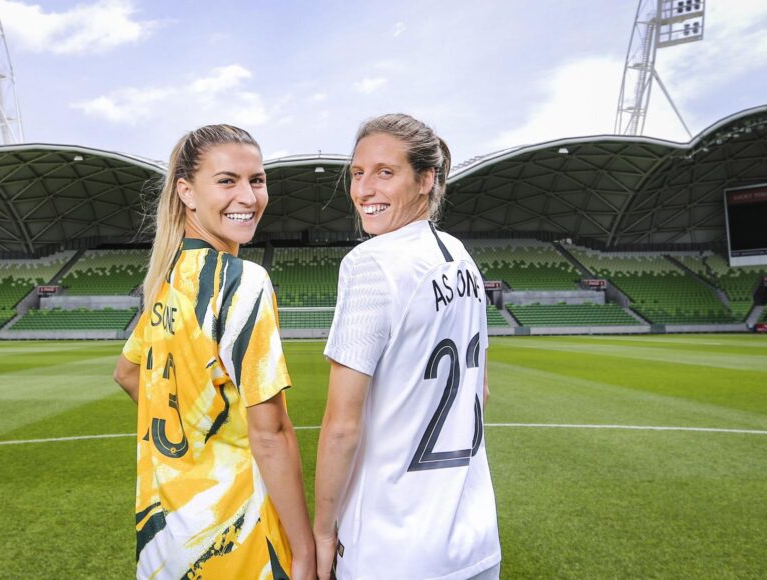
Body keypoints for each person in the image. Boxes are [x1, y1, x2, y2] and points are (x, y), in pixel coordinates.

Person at [114, 124, 315, 579]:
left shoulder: (166, 280)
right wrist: (304, 550)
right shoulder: (241, 282)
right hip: (237, 538)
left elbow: (127, 373)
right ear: (186, 191)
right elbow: (270, 433)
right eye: (227, 181)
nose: (248, 196)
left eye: (257, 180)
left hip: (165, 540)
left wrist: (194, 441)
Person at [313, 114, 500, 580]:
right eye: (358, 173)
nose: (364, 189)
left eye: (385, 172)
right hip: (475, 541)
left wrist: (322, 531)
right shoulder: (462, 258)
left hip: (392, 548)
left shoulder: (371, 263)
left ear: (426, 179)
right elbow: (481, 391)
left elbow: (341, 428)